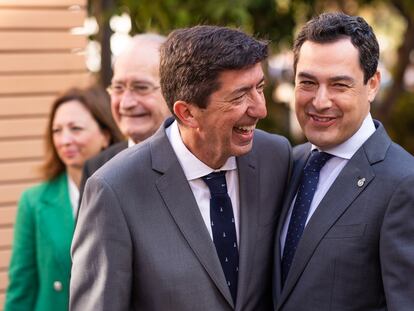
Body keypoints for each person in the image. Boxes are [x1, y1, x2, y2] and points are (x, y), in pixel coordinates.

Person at [70, 25, 292, 311]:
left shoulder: (275, 157)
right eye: (239, 97)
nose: (260, 109)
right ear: (186, 113)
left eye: (259, 88)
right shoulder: (114, 190)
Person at [273, 12, 414, 311]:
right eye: (308, 82)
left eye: (339, 85)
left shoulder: (404, 183)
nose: (320, 101)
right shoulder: (287, 165)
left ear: (372, 84)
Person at [4, 86, 123, 311]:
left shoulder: (127, 193)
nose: (65, 140)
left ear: (105, 135)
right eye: (57, 130)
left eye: (76, 128)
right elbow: (22, 287)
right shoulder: (33, 202)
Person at [78, 33, 171, 203]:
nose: (126, 103)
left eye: (141, 87)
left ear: (173, 91)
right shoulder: (97, 168)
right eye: (118, 88)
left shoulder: (194, 161)